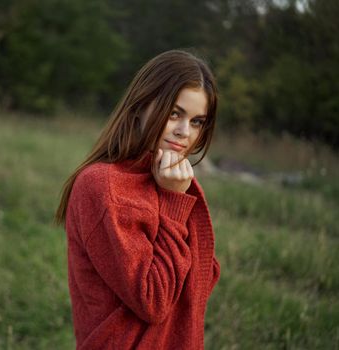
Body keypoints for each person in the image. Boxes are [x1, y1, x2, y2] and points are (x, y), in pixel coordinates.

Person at [54, 49, 220, 349]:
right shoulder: (102, 186)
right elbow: (154, 300)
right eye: (174, 114)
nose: (185, 132)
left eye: (197, 122)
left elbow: (201, 284)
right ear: (142, 105)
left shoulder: (175, 181)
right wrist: (172, 203)